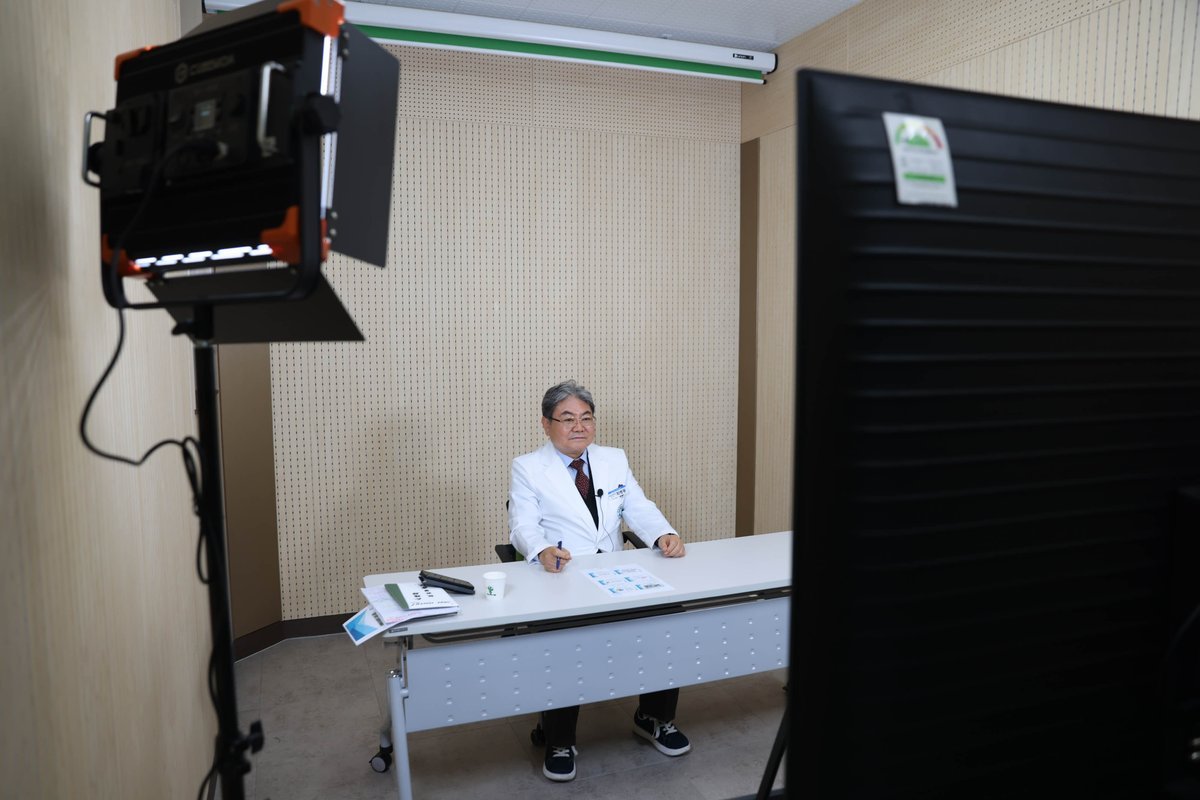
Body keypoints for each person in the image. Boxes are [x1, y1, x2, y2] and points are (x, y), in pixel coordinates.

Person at [509, 380, 690, 782]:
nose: (579, 427)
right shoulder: (528, 467)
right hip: (563, 576)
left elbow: (638, 506)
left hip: (615, 575)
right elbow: (522, 525)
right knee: (561, 639)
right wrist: (541, 549)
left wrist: (663, 533)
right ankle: (559, 739)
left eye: (586, 418)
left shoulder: (613, 458)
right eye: (567, 419)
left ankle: (653, 717)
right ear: (546, 424)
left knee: (669, 617)